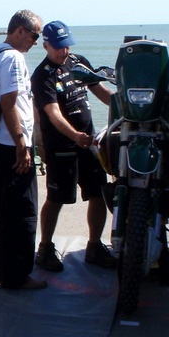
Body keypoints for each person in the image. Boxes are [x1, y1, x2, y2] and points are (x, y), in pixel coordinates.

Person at [31, 21, 118, 272]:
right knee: (57, 198)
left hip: (88, 142)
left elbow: (101, 92)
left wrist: (127, 103)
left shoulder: (78, 61)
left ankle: (94, 247)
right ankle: (45, 249)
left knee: (98, 193)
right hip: (61, 147)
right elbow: (53, 113)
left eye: (67, 45)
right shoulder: (42, 75)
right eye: (58, 47)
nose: (64, 52)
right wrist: (74, 134)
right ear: (46, 45)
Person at [0, 9, 48, 290]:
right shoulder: (14, 58)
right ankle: (17, 275)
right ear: (19, 31)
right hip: (11, 144)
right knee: (22, 210)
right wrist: (22, 143)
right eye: (34, 35)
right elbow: (9, 103)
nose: (36, 41)